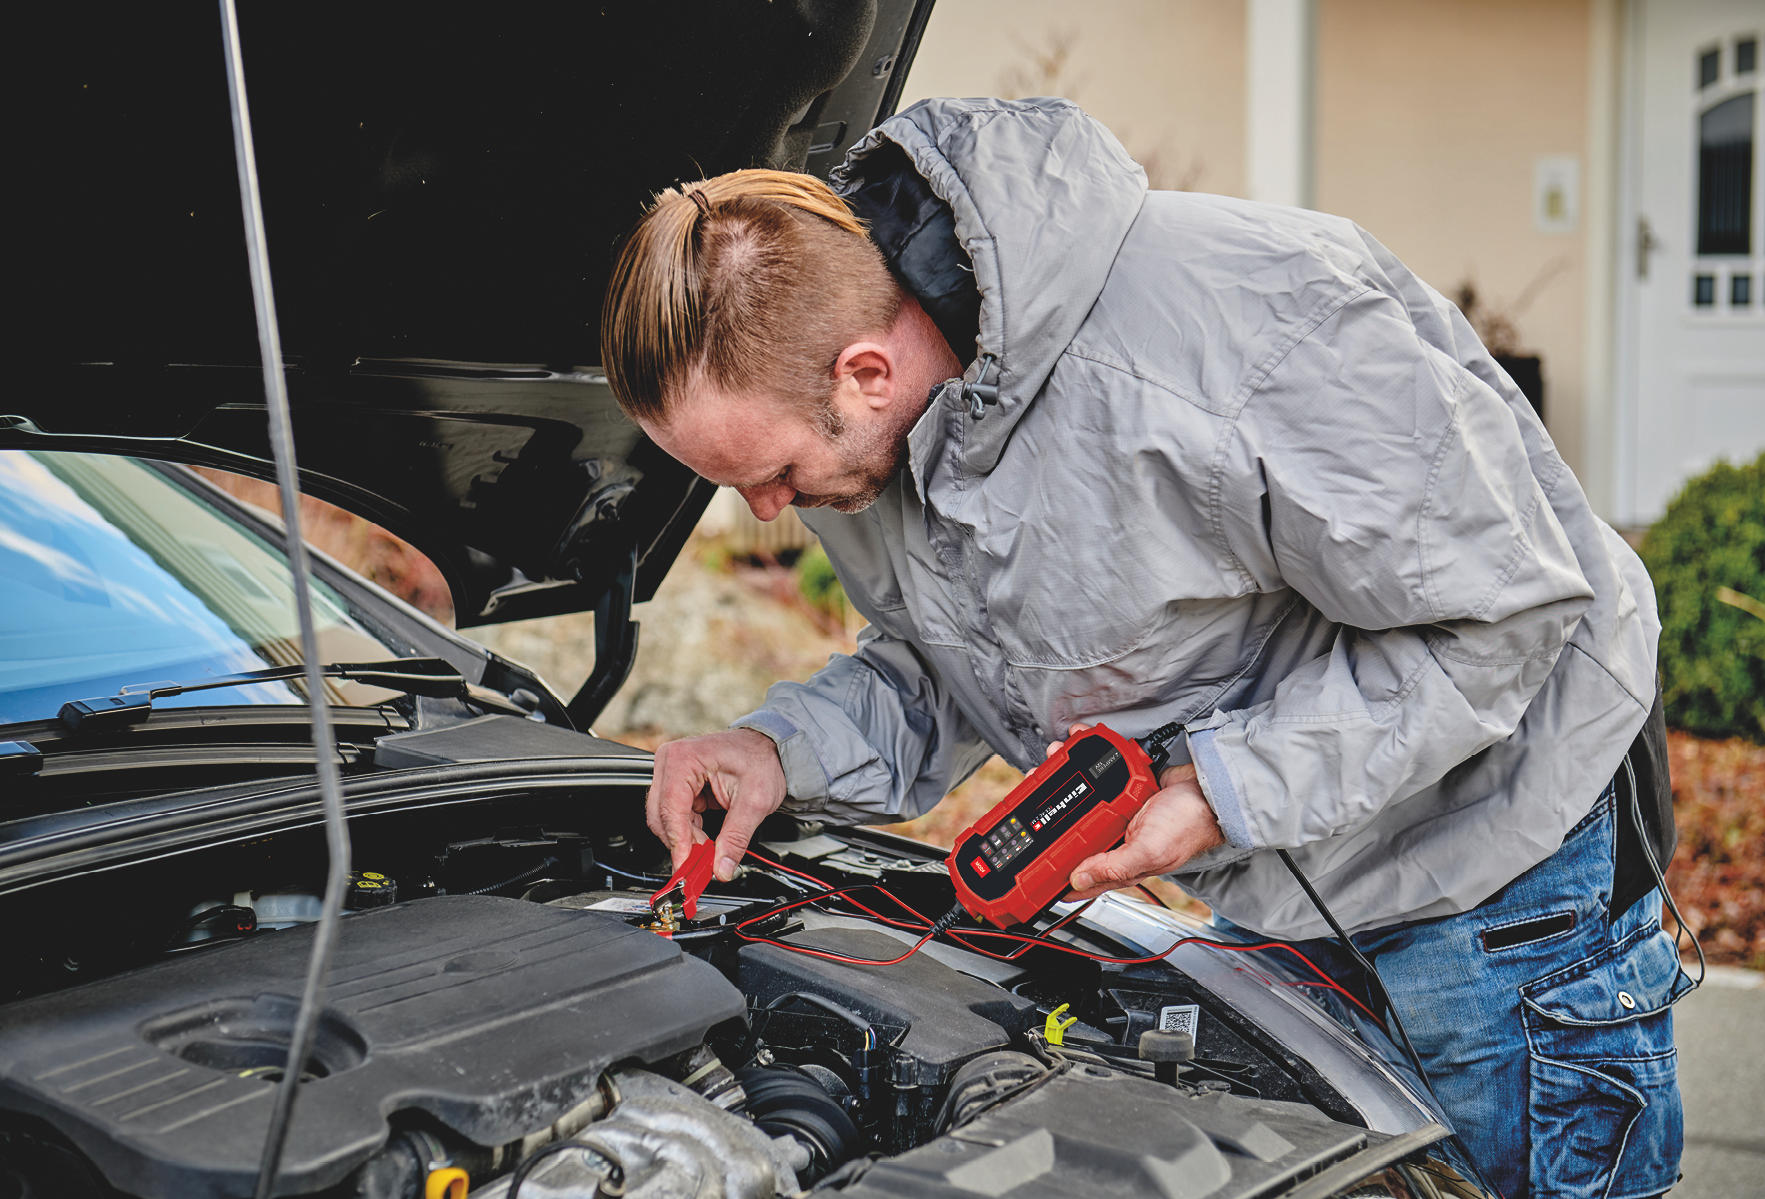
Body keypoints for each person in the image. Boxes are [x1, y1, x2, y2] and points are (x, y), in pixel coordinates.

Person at [600, 97, 1688, 1197]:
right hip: (1281, 885)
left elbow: (1500, 613)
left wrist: (1221, 789)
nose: (767, 511)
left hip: (1495, 869)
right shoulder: (880, 433)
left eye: (767, 473)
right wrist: (777, 749)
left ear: (865, 372)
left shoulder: (1251, 329)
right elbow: (943, 660)